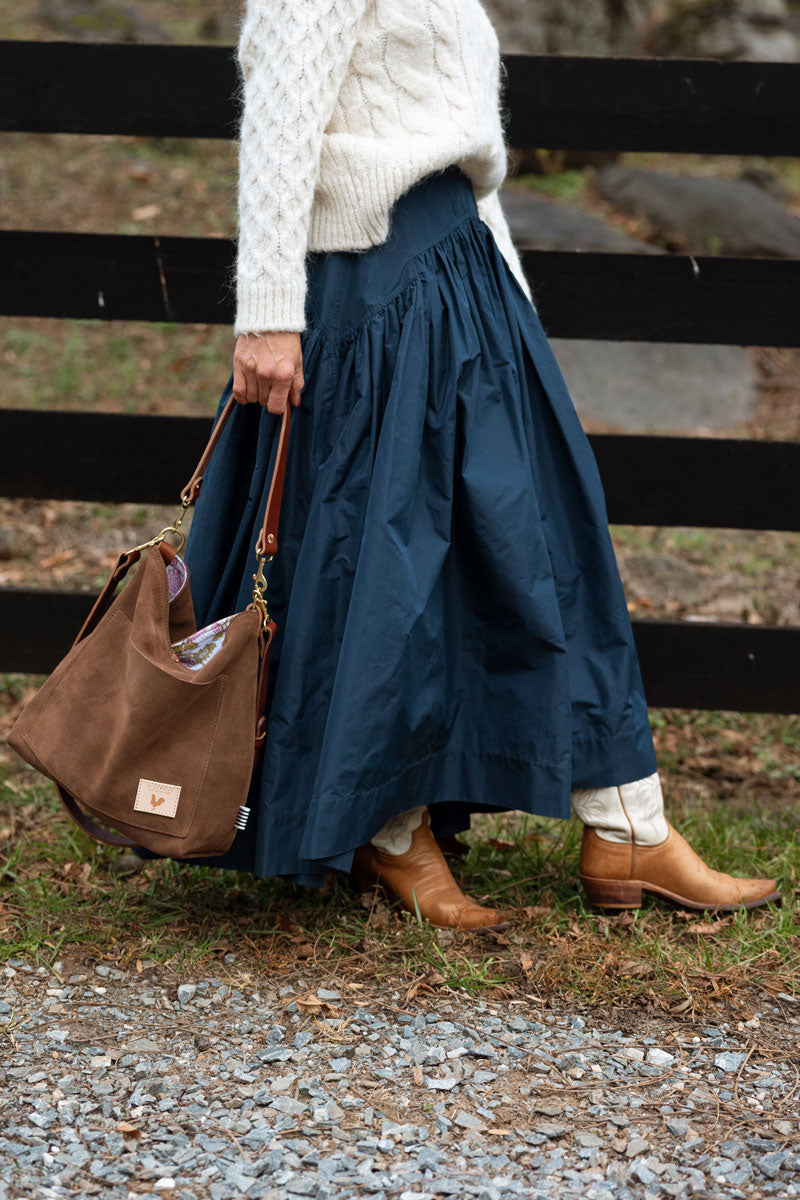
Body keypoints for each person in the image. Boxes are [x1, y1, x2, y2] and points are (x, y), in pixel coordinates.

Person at [181, 0, 779, 926]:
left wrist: (515, 313)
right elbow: (280, 123)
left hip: (464, 282)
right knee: (388, 561)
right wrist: (266, 312)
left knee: (543, 538)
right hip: (374, 289)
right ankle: (389, 829)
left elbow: (464, 150)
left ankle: (628, 823)